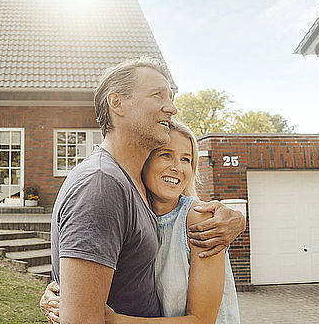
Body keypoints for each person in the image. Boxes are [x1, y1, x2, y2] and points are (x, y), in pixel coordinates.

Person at [48, 58, 245, 323]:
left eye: (186, 159)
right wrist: (69, 301)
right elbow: (80, 318)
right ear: (116, 103)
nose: (172, 108)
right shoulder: (101, 184)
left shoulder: (135, 185)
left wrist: (237, 220)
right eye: (158, 95)